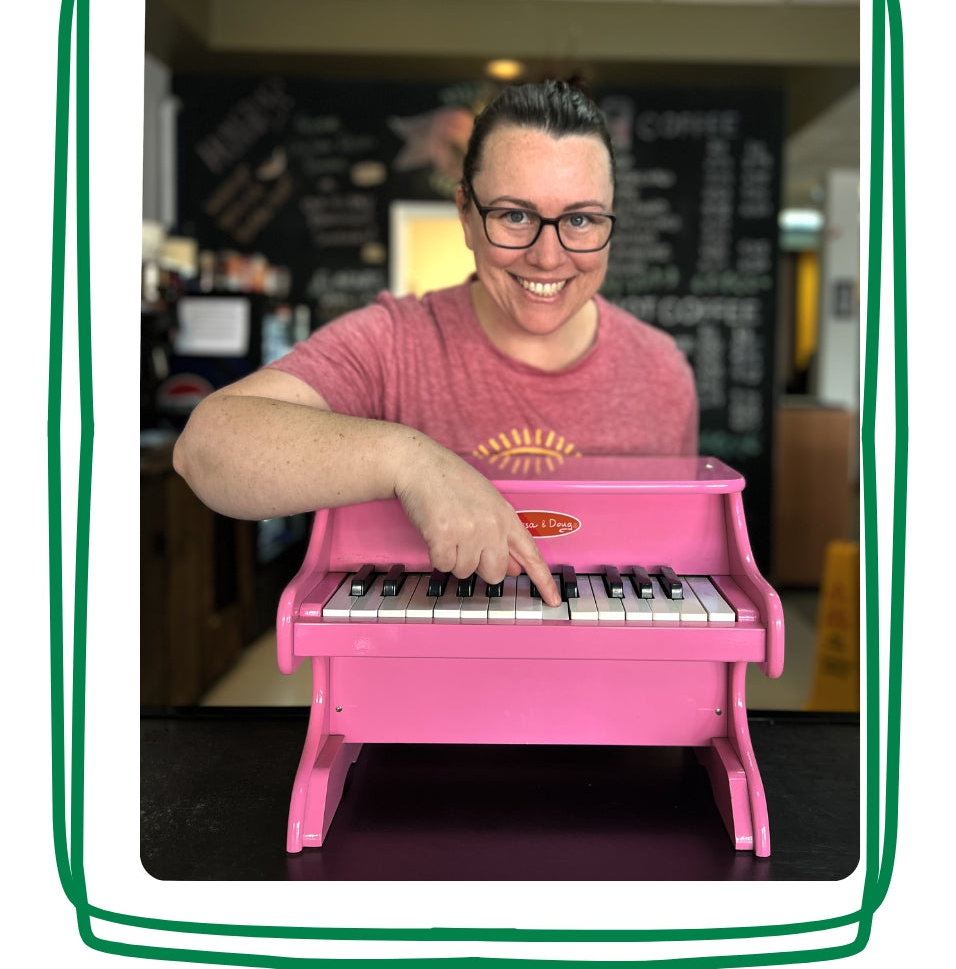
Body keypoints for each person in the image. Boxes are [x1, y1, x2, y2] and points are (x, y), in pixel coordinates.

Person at [172, 79, 698, 607]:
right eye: (515, 215)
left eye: (581, 219)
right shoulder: (392, 343)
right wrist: (410, 459)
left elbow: (675, 566)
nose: (547, 256)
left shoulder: (663, 370)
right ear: (466, 215)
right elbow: (205, 448)